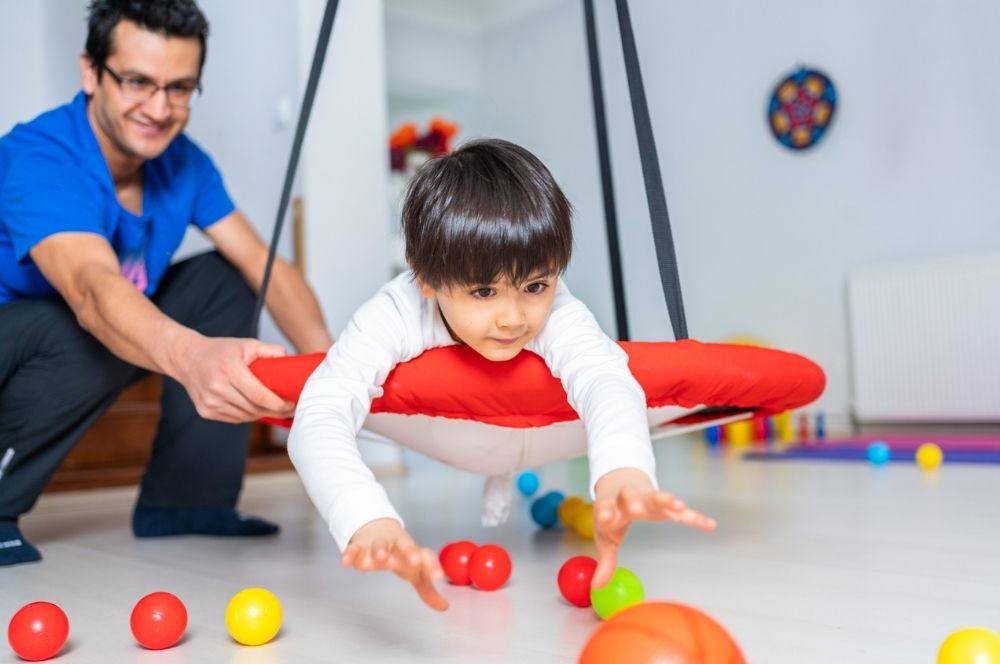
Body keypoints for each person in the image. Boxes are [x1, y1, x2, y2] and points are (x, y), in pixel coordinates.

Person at [287, 139, 716, 612]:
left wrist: (623, 470)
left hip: (536, 433)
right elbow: (320, 413)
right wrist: (365, 519)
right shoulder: (395, 312)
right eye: (484, 291)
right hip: (447, 435)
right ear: (425, 277)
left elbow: (604, 379)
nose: (514, 318)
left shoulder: (560, 313)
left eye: (536, 285)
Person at [0, 0, 333, 567]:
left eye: (180, 88)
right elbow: (90, 288)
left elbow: (264, 264)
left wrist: (335, 375)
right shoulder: (38, 155)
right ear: (90, 71)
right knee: (85, 323)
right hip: (29, 338)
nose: (158, 108)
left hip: (86, 334)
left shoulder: (186, 164)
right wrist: (195, 357)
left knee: (227, 278)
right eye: (137, 82)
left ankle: (187, 502)